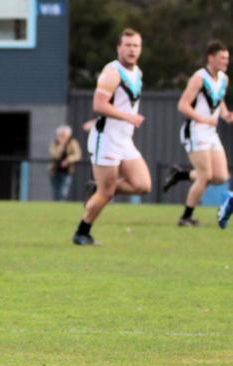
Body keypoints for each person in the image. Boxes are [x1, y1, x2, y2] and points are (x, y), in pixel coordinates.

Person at [73, 28, 151, 245]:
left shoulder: (138, 73)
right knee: (106, 194)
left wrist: (126, 119)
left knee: (143, 185)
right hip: (106, 139)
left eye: (136, 45)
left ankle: (98, 188)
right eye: (127, 45)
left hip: (124, 139)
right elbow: (99, 104)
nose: (132, 49)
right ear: (119, 48)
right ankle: (82, 232)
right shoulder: (112, 72)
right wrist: (128, 117)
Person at [162, 41, 233, 227]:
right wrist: (203, 119)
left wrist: (225, 115)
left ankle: (180, 175)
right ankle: (186, 217)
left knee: (221, 176)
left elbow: (218, 101)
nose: (226, 61)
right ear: (211, 58)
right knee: (205, 175)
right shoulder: (199, 78)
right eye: (222, 58)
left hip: (210, 132)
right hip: (194, 131)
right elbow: (183, 105)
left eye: (227, 58)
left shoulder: (224, 79)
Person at [48, 125, 81, 201]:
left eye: (64, 135)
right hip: (54, 170)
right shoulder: (55, 143)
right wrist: (61, 146)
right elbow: (53, 154)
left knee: (63, 192)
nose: (63, 137)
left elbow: (77, 155)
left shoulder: (72, 142)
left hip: (67, 171)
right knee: (56, 191)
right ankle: (57, 205)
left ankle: (61, 204)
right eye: (61, 135)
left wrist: (68, 160)